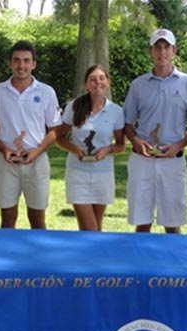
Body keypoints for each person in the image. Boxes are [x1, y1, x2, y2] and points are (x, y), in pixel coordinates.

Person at [123, 29, 187, 234]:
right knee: (142, 221)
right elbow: (127, 123)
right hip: (142, 160)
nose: (162, 52)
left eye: (166, 47)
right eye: (158, 47)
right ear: (151, 51)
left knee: (173, 221)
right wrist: (135, 141)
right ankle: (142, 265)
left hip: (173, 161)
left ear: (174, 51)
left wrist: (179, 145)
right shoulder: (138, 85)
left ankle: (174, 266)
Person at [0, 40, 62, 229]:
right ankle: (8, 257)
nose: (21, 66)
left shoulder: (46, 92)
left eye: (26, 61)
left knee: (37, 217)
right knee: (8, 217)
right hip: (6, 161)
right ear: (10, 63)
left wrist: (36, 151)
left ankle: (38, 258)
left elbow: (55, 130)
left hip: (37, 161)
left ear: (34, 64)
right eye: (16, 60)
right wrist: (3, 149)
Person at [57, 64, 125, 231]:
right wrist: (75, 149)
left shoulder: (115, 111)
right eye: (93, 79)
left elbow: (121, 145)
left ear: (107, 82)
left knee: (96, 228)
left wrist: (108, 150)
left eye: (101, 78)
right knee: (90, 228)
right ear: (86, 84)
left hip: (103, 174)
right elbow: (59, 138)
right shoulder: (74, 107)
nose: (97, 82)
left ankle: (91, 257)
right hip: (77, 174)